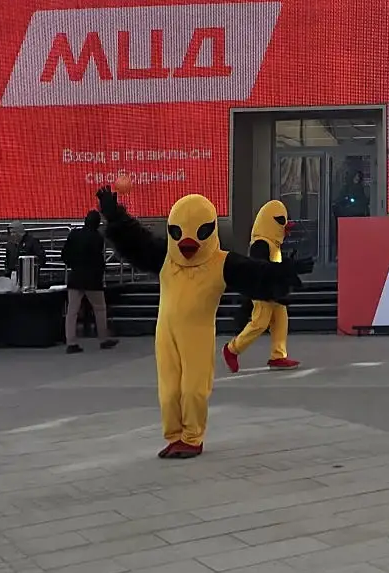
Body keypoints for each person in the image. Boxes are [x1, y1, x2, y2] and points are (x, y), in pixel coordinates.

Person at [95, 187, 311, 459]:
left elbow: (254, 272)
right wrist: (115, 215)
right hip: (166, 336)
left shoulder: (220, 262)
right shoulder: (165, 257)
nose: (188, 243)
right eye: (178, 233)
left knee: (193, 390)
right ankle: (175, 436)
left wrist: (285, 272)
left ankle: (192, 438)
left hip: (197, 337)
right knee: (169, 391)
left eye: (200, 233)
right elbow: (135, 240)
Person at [223, 199, 301, 373]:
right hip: (262, 293)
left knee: (281, 320)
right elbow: (259, 269)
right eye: (281, 222)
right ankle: (232, 349)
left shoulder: (273, 245)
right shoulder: (260, 244)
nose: (285, 229)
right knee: (260, 322)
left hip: (274, 293)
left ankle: (278, 356)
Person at [62, 210, 117, 354]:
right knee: (99, 308)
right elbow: (98, 259)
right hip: (92, 279)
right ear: (97, 224)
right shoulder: (97, 237)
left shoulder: (74, 234)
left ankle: (71, 342)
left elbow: (65, 255)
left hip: (75, 277)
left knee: (72, 311)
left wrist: (74, 265)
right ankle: (103, 339)